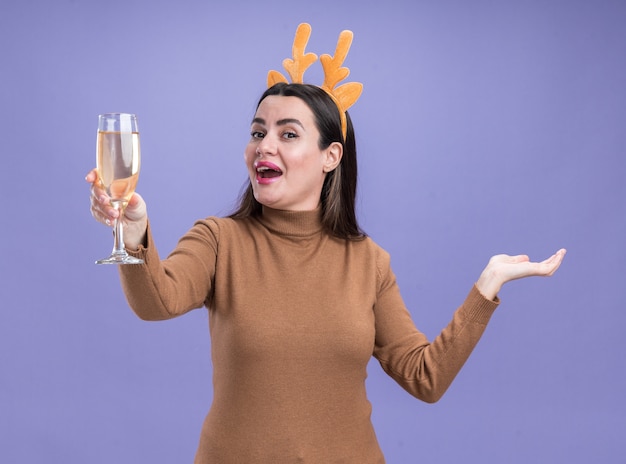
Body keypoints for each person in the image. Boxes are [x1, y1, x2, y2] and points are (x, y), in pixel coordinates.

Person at [86, 24, 565, 463]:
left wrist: (485, 289)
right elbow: (157, 302)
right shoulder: (218, 240)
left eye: (287, 133)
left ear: (330, 156)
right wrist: (133, 234)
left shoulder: (368, 262)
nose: (263, 146)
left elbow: (426, 377)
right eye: (257, 132)